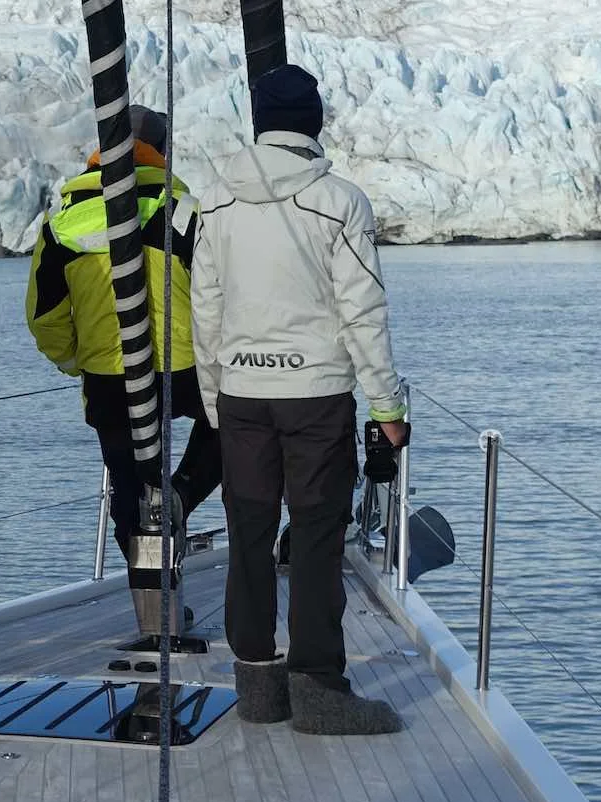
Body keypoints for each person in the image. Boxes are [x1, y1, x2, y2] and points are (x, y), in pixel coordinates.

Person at [191, 62, 410, 735]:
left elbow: (206, 310)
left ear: (259, 122)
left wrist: (214, 400)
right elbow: (362, 313)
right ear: (313, 123)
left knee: (248, 537)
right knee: (315, 536)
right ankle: (318, 687)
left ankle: (257, 688)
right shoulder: (340, 202)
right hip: (315, 397)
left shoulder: (217, 204)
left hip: (243, 395)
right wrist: (387, 409)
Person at [24, 105, 221, 585]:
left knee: (129, 484)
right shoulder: (186, 215)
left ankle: (149, 599)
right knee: (231, 425)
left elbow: (45, 318)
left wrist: (80, 361)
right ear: (163, 153)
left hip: (109, 377)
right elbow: (224, 298)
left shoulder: (61, 224)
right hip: (186, 369)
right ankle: (182, 492)